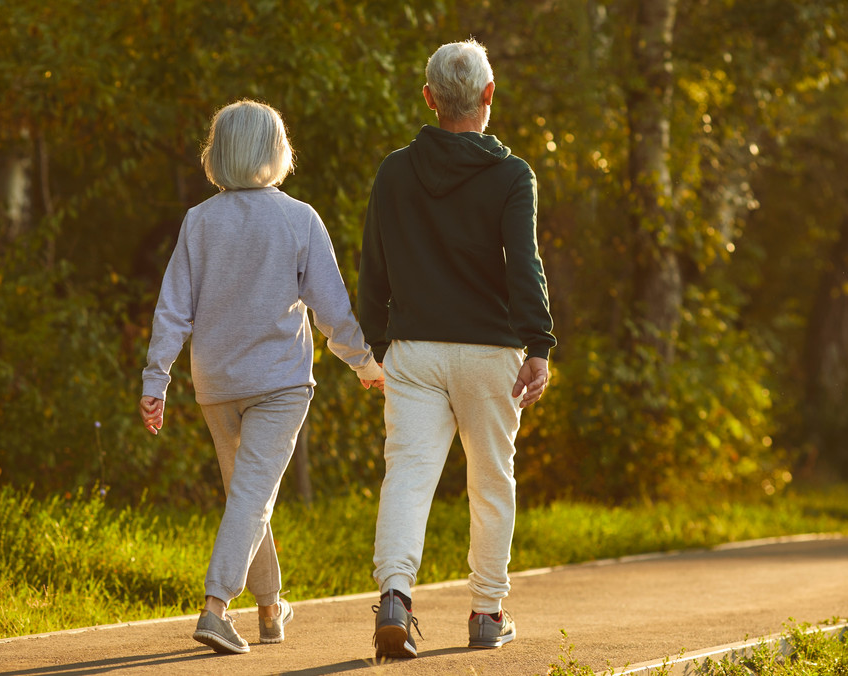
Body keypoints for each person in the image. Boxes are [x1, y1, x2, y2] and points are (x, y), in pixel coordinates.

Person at [140, 100, 384, 655]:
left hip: (217, 384)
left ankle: (271, 609)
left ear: (219, 154)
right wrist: (365, 364)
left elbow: (173, 308)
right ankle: (216, 606)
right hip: (279, 384)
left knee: (249, 494)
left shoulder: (199, 221)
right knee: (252, 496)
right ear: (276, 151)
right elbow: (332, 310)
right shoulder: (299, 217)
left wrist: (157, 380)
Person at [358, 39, 555, 658]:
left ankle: (394, 597)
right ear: (488, 96)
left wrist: (374, 345)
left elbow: (374, 265)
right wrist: (539, 343)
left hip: (414, 351)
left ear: (429, 98)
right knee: (491, 483)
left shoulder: (395, 170)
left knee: (408, 477)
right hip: (489, 352)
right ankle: (487, 614)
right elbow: (523, 266)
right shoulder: (510, 174)